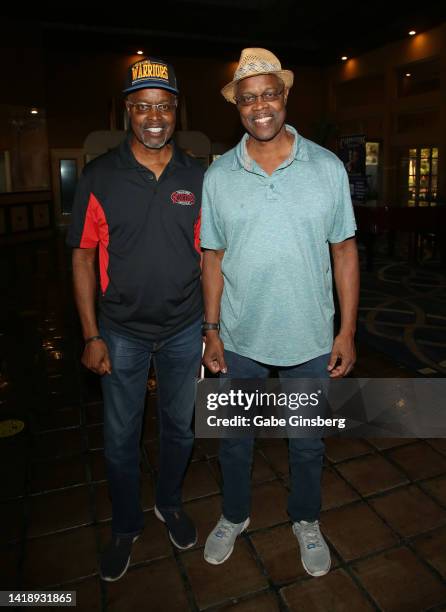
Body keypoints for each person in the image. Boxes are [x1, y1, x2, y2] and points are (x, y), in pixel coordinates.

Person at [200, 48, 359, 577]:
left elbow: (344, 251)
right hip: (241, 337)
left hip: (311, 337)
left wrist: (347, 330)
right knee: (234, 440)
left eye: (270, 94)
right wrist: (212, 331)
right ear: (238, 107)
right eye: (249, 99)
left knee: (307, 442)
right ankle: (235, 514)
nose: (260, 106)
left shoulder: (327, 168)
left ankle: (306, 520)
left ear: (286, 96)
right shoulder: (219, 174)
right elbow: (213, 257)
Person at [67, 56, 204, 581]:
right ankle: (125, 524)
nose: (154, 117)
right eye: (143, 106)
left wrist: (211, 328)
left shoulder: (197, 173)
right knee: (121, 435)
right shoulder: (100, 175)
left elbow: (209, 252)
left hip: (184, 328)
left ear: (176, 111)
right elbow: (81, 255)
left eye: (164, 107)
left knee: (181, 429)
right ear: (128, 111)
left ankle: (168, 503)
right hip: (119, 332)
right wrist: (90, 334)